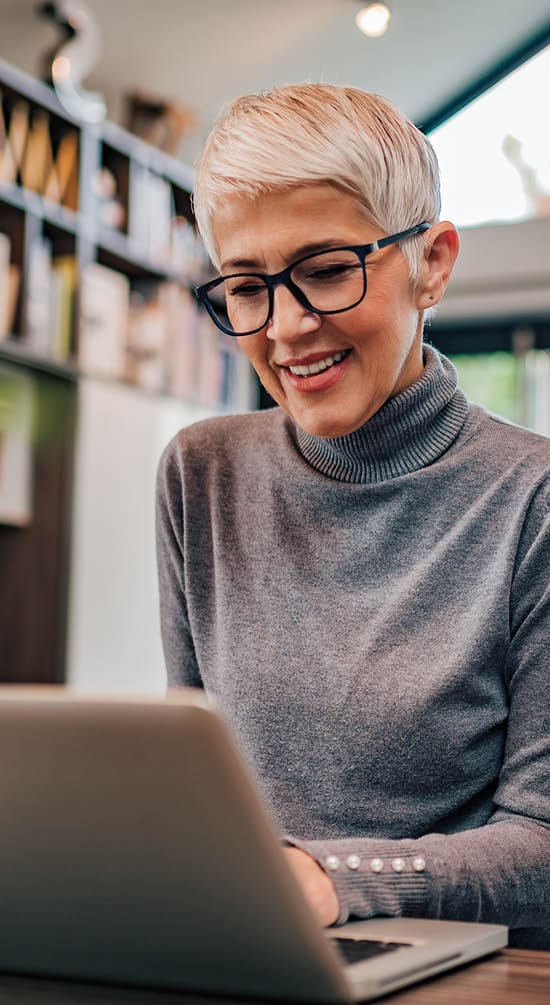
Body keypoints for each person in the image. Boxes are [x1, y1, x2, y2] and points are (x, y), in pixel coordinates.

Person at [156, 84, 550, 948]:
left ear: (433, 263)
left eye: (328, 271)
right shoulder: (202, 473)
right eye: (248, 287)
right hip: (247, 952)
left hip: (466, 991)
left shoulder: (534, 501)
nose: (287, 328)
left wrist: (335, 880)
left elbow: (544, 849)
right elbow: (195, 784)